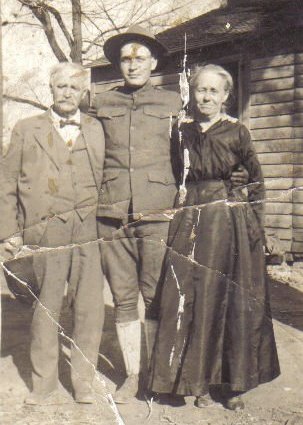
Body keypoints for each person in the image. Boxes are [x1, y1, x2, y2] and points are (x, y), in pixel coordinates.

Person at [94, 26, 249, 403]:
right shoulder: (100, 103)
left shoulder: (172, 105)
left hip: (158, 212)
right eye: (126, 59)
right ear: (118, 63)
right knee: (123, 296)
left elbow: (199, 148)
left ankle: (157, 373)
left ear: (154, 62)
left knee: (158, 294)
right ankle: (133, 375)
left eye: (140, 58)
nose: (132, 65)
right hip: (111, 212)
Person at [149, 64, 280, 410]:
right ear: (192, 94)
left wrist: (256, 227)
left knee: (232, 300)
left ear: (226, 96)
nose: (205, 97)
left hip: (231, 222)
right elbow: (178, 174)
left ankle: (233, 384)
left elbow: (255, 182)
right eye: (200, 90)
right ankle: (198, 384)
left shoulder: (238, 132)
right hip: (192, 218)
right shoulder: (182, 131)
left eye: (213, 91)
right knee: (193, 296)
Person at [0, 62, 105, 405]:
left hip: (88, 229)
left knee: (90, 307)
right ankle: (43, 383)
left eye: (74, 88)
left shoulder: (95, 128)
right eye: (62, 86)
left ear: (84, 93)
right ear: (51, 87)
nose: (67, 93)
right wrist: (9, 231)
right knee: (47, 307)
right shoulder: (27, 128)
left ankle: (83, 381)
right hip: (46, 230)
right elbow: (7, 183)